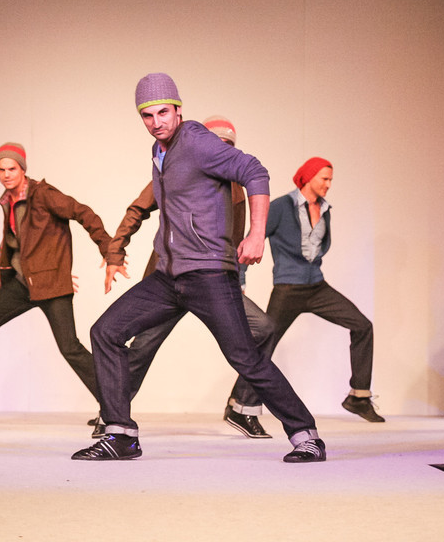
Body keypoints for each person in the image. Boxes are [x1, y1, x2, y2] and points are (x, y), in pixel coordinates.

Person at [73, 73, 325, 462]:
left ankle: (306, 436)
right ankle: (121, 435)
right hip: (168, 277)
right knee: (106, 331)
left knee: (245, 357)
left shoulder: (195, 141)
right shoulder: (160, 152)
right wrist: (117, 253)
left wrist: (257, 233)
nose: (156, 122)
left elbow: (254, 171)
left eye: (163, 113)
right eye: (147, 116)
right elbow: (148, 208)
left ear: (178, 110)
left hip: (208, 274)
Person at [94, 116, 274, 440]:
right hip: (168, 279)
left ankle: (242, 406)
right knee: (143, 345)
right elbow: (137, 209)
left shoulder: (235, 187)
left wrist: (238, 279)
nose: (221, 149)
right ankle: (112, 415)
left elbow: (233, 238)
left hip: (212, 282)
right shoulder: (179, 169)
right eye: (216, 142)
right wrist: (115, 253)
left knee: (262, 328)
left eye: (228, 145)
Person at [0, 142, 112, 420]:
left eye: (12, 168)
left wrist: (108, 250)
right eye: (1, 170)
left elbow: (83, 213)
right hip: (23, 284)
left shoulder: (43, 195)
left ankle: (113, 405)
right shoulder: (8, 201)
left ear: (22, 169)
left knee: (70, 348)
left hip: (51, 286)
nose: (6, 174)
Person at [230, 157, 384, 423]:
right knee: (265, 344)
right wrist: (240, 279)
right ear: (309, 177)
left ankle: (359, 397)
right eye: (324, 178)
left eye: (331, 179)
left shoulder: (325, 210)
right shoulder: (281, 207)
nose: (328, 184)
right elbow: (252, 241)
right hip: (288, 288)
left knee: (362, 326)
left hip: (316, 286)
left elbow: (318, 248)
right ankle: (239, 404)